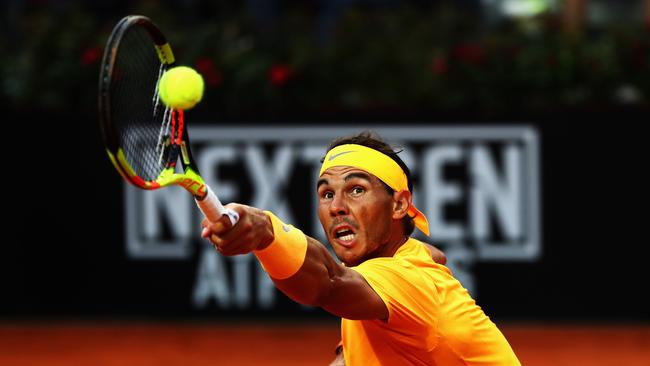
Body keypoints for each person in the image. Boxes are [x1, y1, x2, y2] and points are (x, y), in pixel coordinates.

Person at [201, 131, 520, 365]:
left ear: (399, 205)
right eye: (326, 194)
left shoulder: (408, 279)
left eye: (356, 189)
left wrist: (267, 232)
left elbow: (327, 284)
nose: (337, 206)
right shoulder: (388, 275)